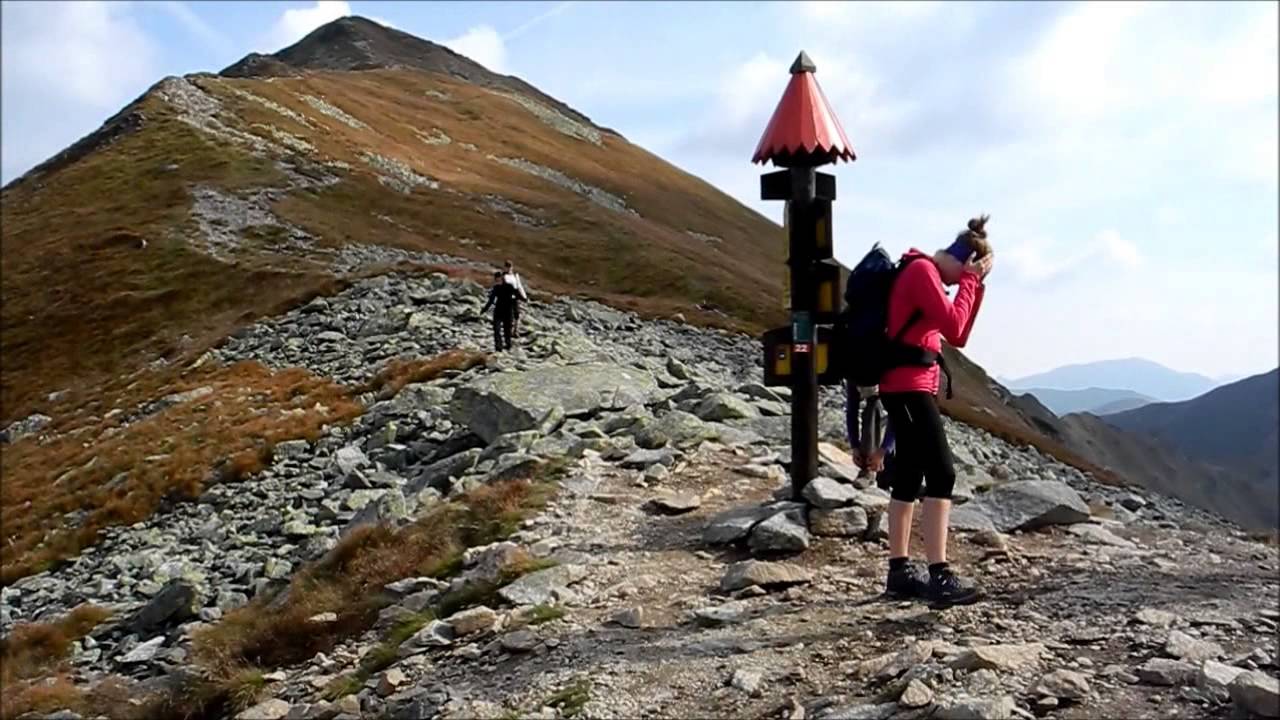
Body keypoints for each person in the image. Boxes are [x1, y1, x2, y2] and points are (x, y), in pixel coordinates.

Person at [879, 215, 994, 607]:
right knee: (942, 473)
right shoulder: (922, 271)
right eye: (966, 273)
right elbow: (954, 325)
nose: (956, 285)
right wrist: (970, 282)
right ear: (963, 260)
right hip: (908, 388)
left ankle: (899, 572)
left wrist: (974, 285)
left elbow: (958, 335)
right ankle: (939, 575)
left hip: (907, 387)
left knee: (910, 476)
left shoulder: (925, 273)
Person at [481, 271, 519, 351]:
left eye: (498, 279)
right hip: (498, 311)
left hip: (508, 311)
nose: (497, 280)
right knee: (496, 329)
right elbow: (491, 300)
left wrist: (516, 312)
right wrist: (484, 309)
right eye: (496, 279)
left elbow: (514, 300)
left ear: (501, 278)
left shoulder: (509, 287)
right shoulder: (496, 288)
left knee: (507, 330)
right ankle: (498, 346)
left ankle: (508, 344)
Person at [503, 261, 529, 336]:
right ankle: (509, 331)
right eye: (507, 267)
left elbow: (519, 286)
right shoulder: (503, 276)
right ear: (505, 267)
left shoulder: (515, 275)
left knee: (517, 313)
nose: (508, 269)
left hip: (515, 296)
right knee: (509, 314)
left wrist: (523, 296)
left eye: (510, 267)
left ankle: (515, 330)